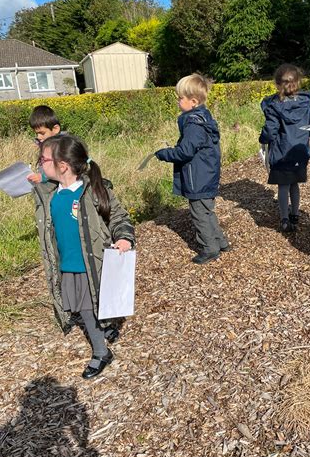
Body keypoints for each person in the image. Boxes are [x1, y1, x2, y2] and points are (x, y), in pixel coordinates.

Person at [33, 134, 135, 378]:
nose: (39, 164)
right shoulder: (49, 194)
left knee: (91, 308)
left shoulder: (94, 191)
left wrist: (124, 237)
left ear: (63, 166)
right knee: (84, 308)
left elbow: (119, 217)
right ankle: (105, 331)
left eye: (43, 159)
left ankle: (101, 352)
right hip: (68, 266)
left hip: (94, 264)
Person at [154, 73, 229, 265]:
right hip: (206, 173)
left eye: (180, 98)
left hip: (198, 177)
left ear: (193, 101)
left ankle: (209, 249)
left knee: (199, 213)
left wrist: (165, 154)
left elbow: (185, 152)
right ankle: (220, 242)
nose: (178, 102)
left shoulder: (193, 124)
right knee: (207, 210)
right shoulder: (202, 118)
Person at [259, 63, 310, 233]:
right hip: (299, 151)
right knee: (295, 184)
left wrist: (262, 139)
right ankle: (295, 214)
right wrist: (301, 136)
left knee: (283, 186)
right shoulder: (306, 103)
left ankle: (285, 219)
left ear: (277, 84)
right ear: (298, 82)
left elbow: (270, 131)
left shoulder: (274, 105)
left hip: (281, 152)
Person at [27, 105, 63, 184]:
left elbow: (68, 170)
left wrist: (43, 177)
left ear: (55, 129)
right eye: (36, 133)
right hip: (46, 193)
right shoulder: (44, 145)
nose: (38, 137)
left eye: (42, 133)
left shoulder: (65, 147)